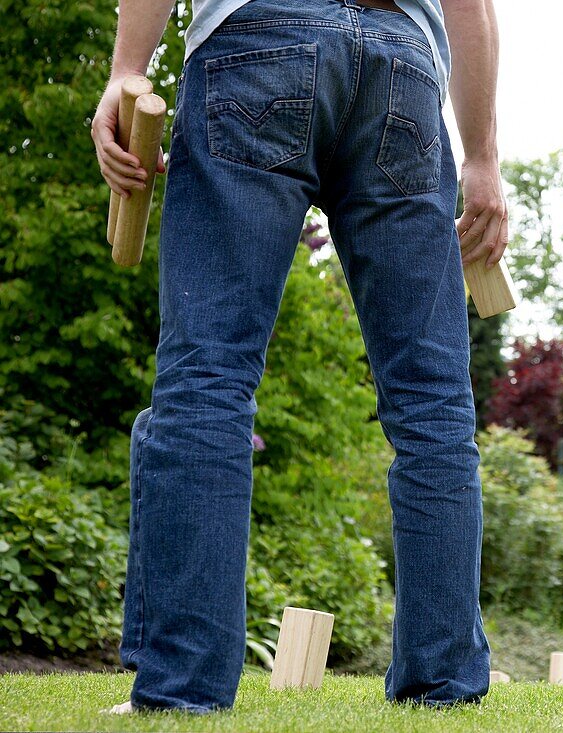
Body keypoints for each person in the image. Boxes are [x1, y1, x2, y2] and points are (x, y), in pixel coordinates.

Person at [91, 0, 507, 712]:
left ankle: (183, 687)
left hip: (256, 43)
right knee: (432, 401)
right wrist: (482, 157)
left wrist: (128, 70)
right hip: (402, 70)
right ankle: (443, 688)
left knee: (208, 377)